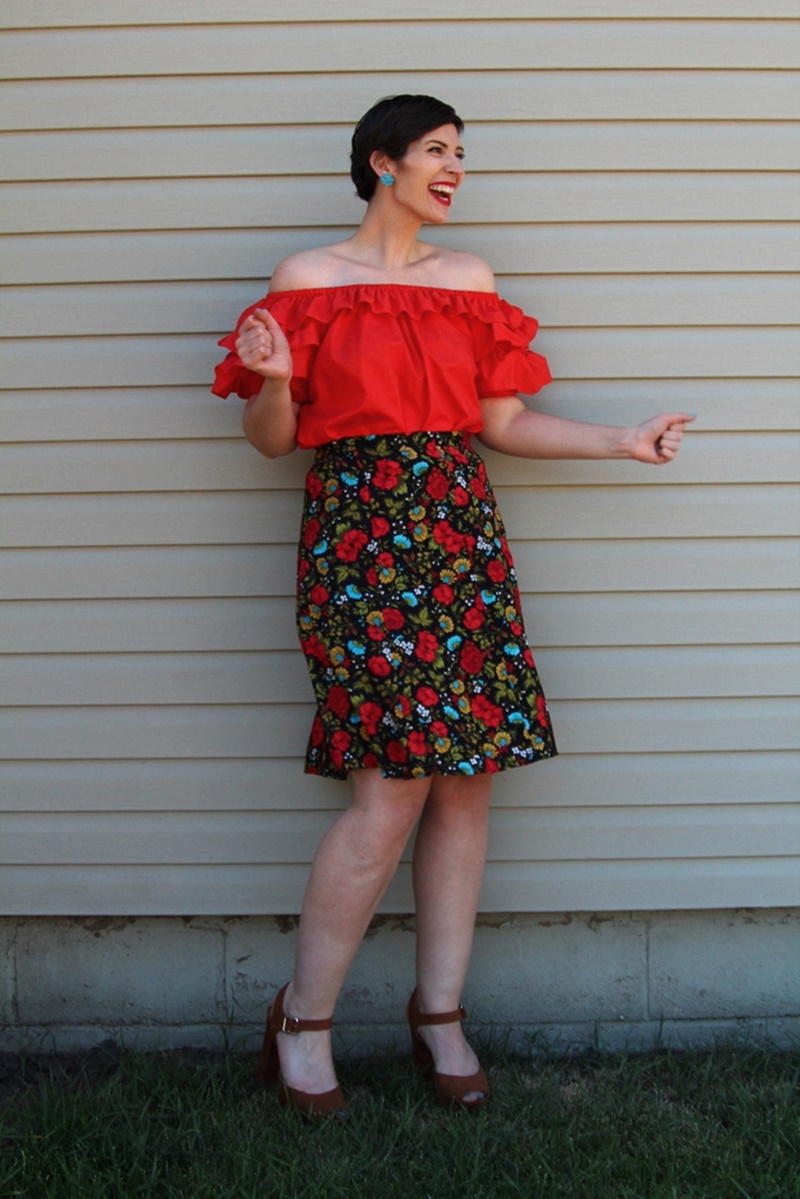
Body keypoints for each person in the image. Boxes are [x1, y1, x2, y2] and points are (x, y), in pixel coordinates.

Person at [212, 94, 692, 1116]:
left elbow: (502, 423)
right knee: (390, 788)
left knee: (467, 783)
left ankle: (439, 1016)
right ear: (381, 162)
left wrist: (619, 439)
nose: (454, 168)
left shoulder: (468, 280)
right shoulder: (305, 279)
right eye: (436, 150)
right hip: (357, 538)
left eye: (460, 152)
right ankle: (301, 1020)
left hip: (459, 532)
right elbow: (270, 439)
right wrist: (275, 379)